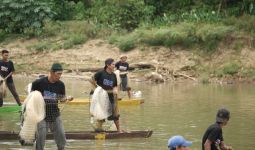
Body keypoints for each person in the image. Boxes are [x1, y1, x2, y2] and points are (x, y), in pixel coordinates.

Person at [31, 63, 73, 150]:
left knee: (61, 136)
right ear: (51, 72)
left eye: (61, 74)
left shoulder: (61, 84)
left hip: (55, 113)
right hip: (41, 114)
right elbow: (31, 97)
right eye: (58, 74)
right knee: (41, 137)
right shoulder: (38, 83)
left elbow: (61, 99)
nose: (59, 76)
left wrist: (67, 99)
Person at [90, 58, 122, 132]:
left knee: (115, 114)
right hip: (101, 97)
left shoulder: (114, 75)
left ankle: (119, 130)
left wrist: (115, 89)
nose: (114, 66)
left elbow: (115, 85)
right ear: (108, 65)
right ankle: (99, 130)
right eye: (113, 64)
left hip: (111, 96)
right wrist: (97, 88)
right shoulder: (101, 73)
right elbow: (92, 79)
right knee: (101, 114)